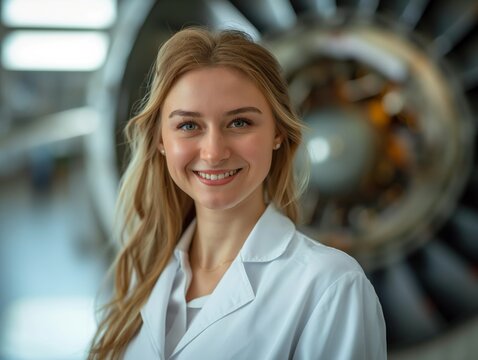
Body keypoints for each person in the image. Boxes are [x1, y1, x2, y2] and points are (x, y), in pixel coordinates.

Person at [88, 27, 386, 360]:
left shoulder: (330, 286)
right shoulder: (143, 276)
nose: (214, 152)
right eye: (188, 125)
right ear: (161, 140)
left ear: (277, 132)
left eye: (240, 123)